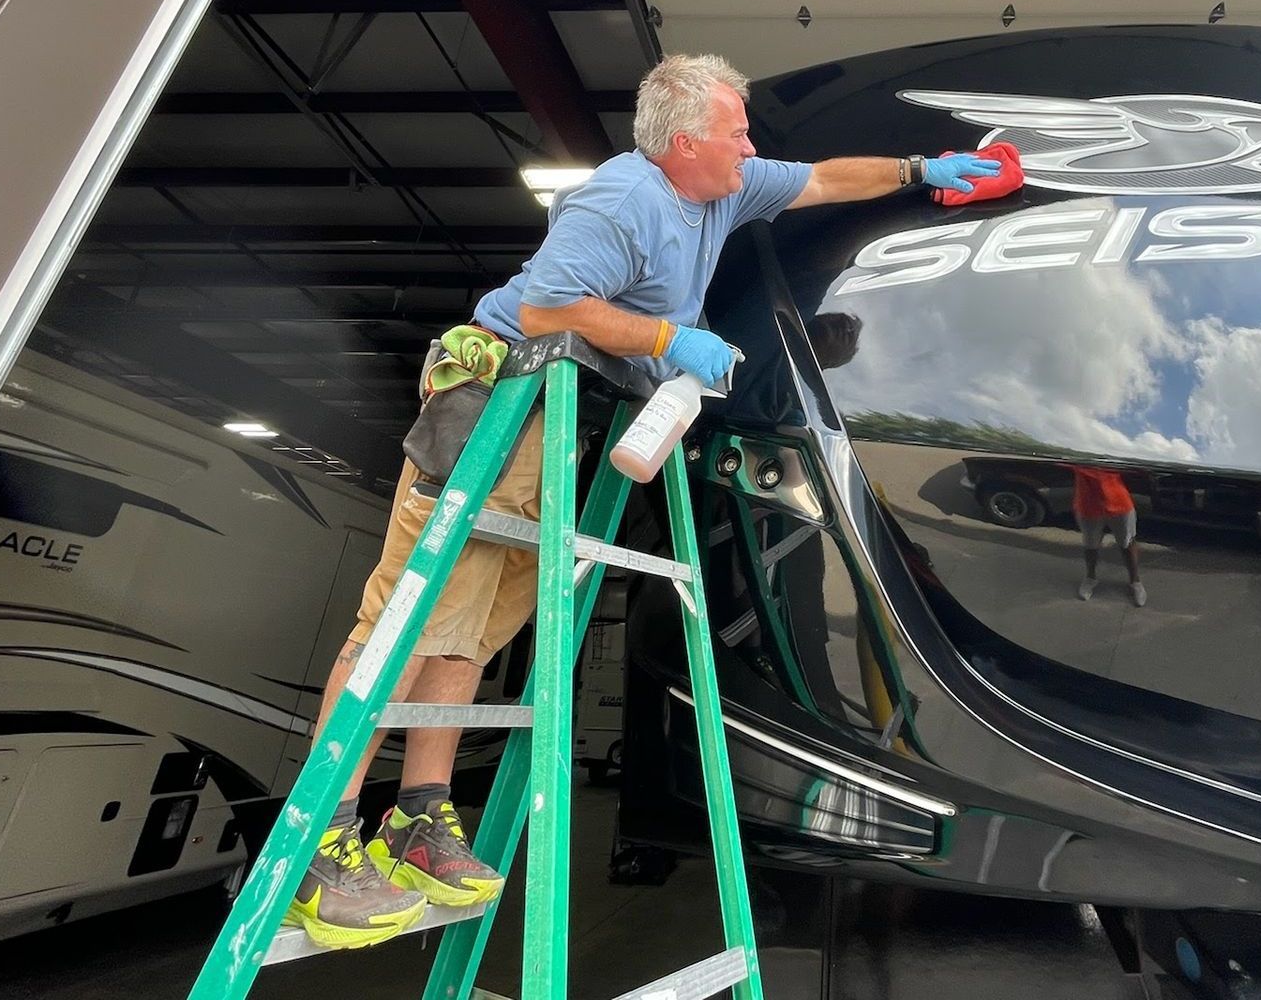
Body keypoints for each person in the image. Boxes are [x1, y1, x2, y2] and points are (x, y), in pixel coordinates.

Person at [286, 53, 1002, 949]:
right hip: (502, 402)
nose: (751, 145)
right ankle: (315, 841)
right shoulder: (621, 201)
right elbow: (547, 309)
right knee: (403, 618)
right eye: (737, 130)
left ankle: (419, 820)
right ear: (685, 142)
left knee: (474, 628)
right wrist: (672, 338)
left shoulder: (723, 188)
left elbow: (820, 180)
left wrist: (920, 172)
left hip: (564, 422)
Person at [1071, 465, 1145, 608]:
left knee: (1127, 543)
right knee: (1090, 545)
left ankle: (1135, 581)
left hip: (1119, 503)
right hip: (1088, 505)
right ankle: (1090, 578)